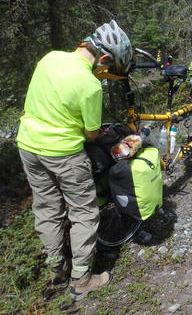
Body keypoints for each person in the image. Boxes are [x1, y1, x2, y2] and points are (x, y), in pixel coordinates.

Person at [16, 20, 133, 300]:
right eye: (107, 67)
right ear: (104, 57)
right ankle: (81, 278)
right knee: (83, 212)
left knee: (46, 207)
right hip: (63, 153)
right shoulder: (90, 85)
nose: (104, 73)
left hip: (28, 145)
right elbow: (91, 134)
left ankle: (57, 269)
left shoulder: (50, 58)